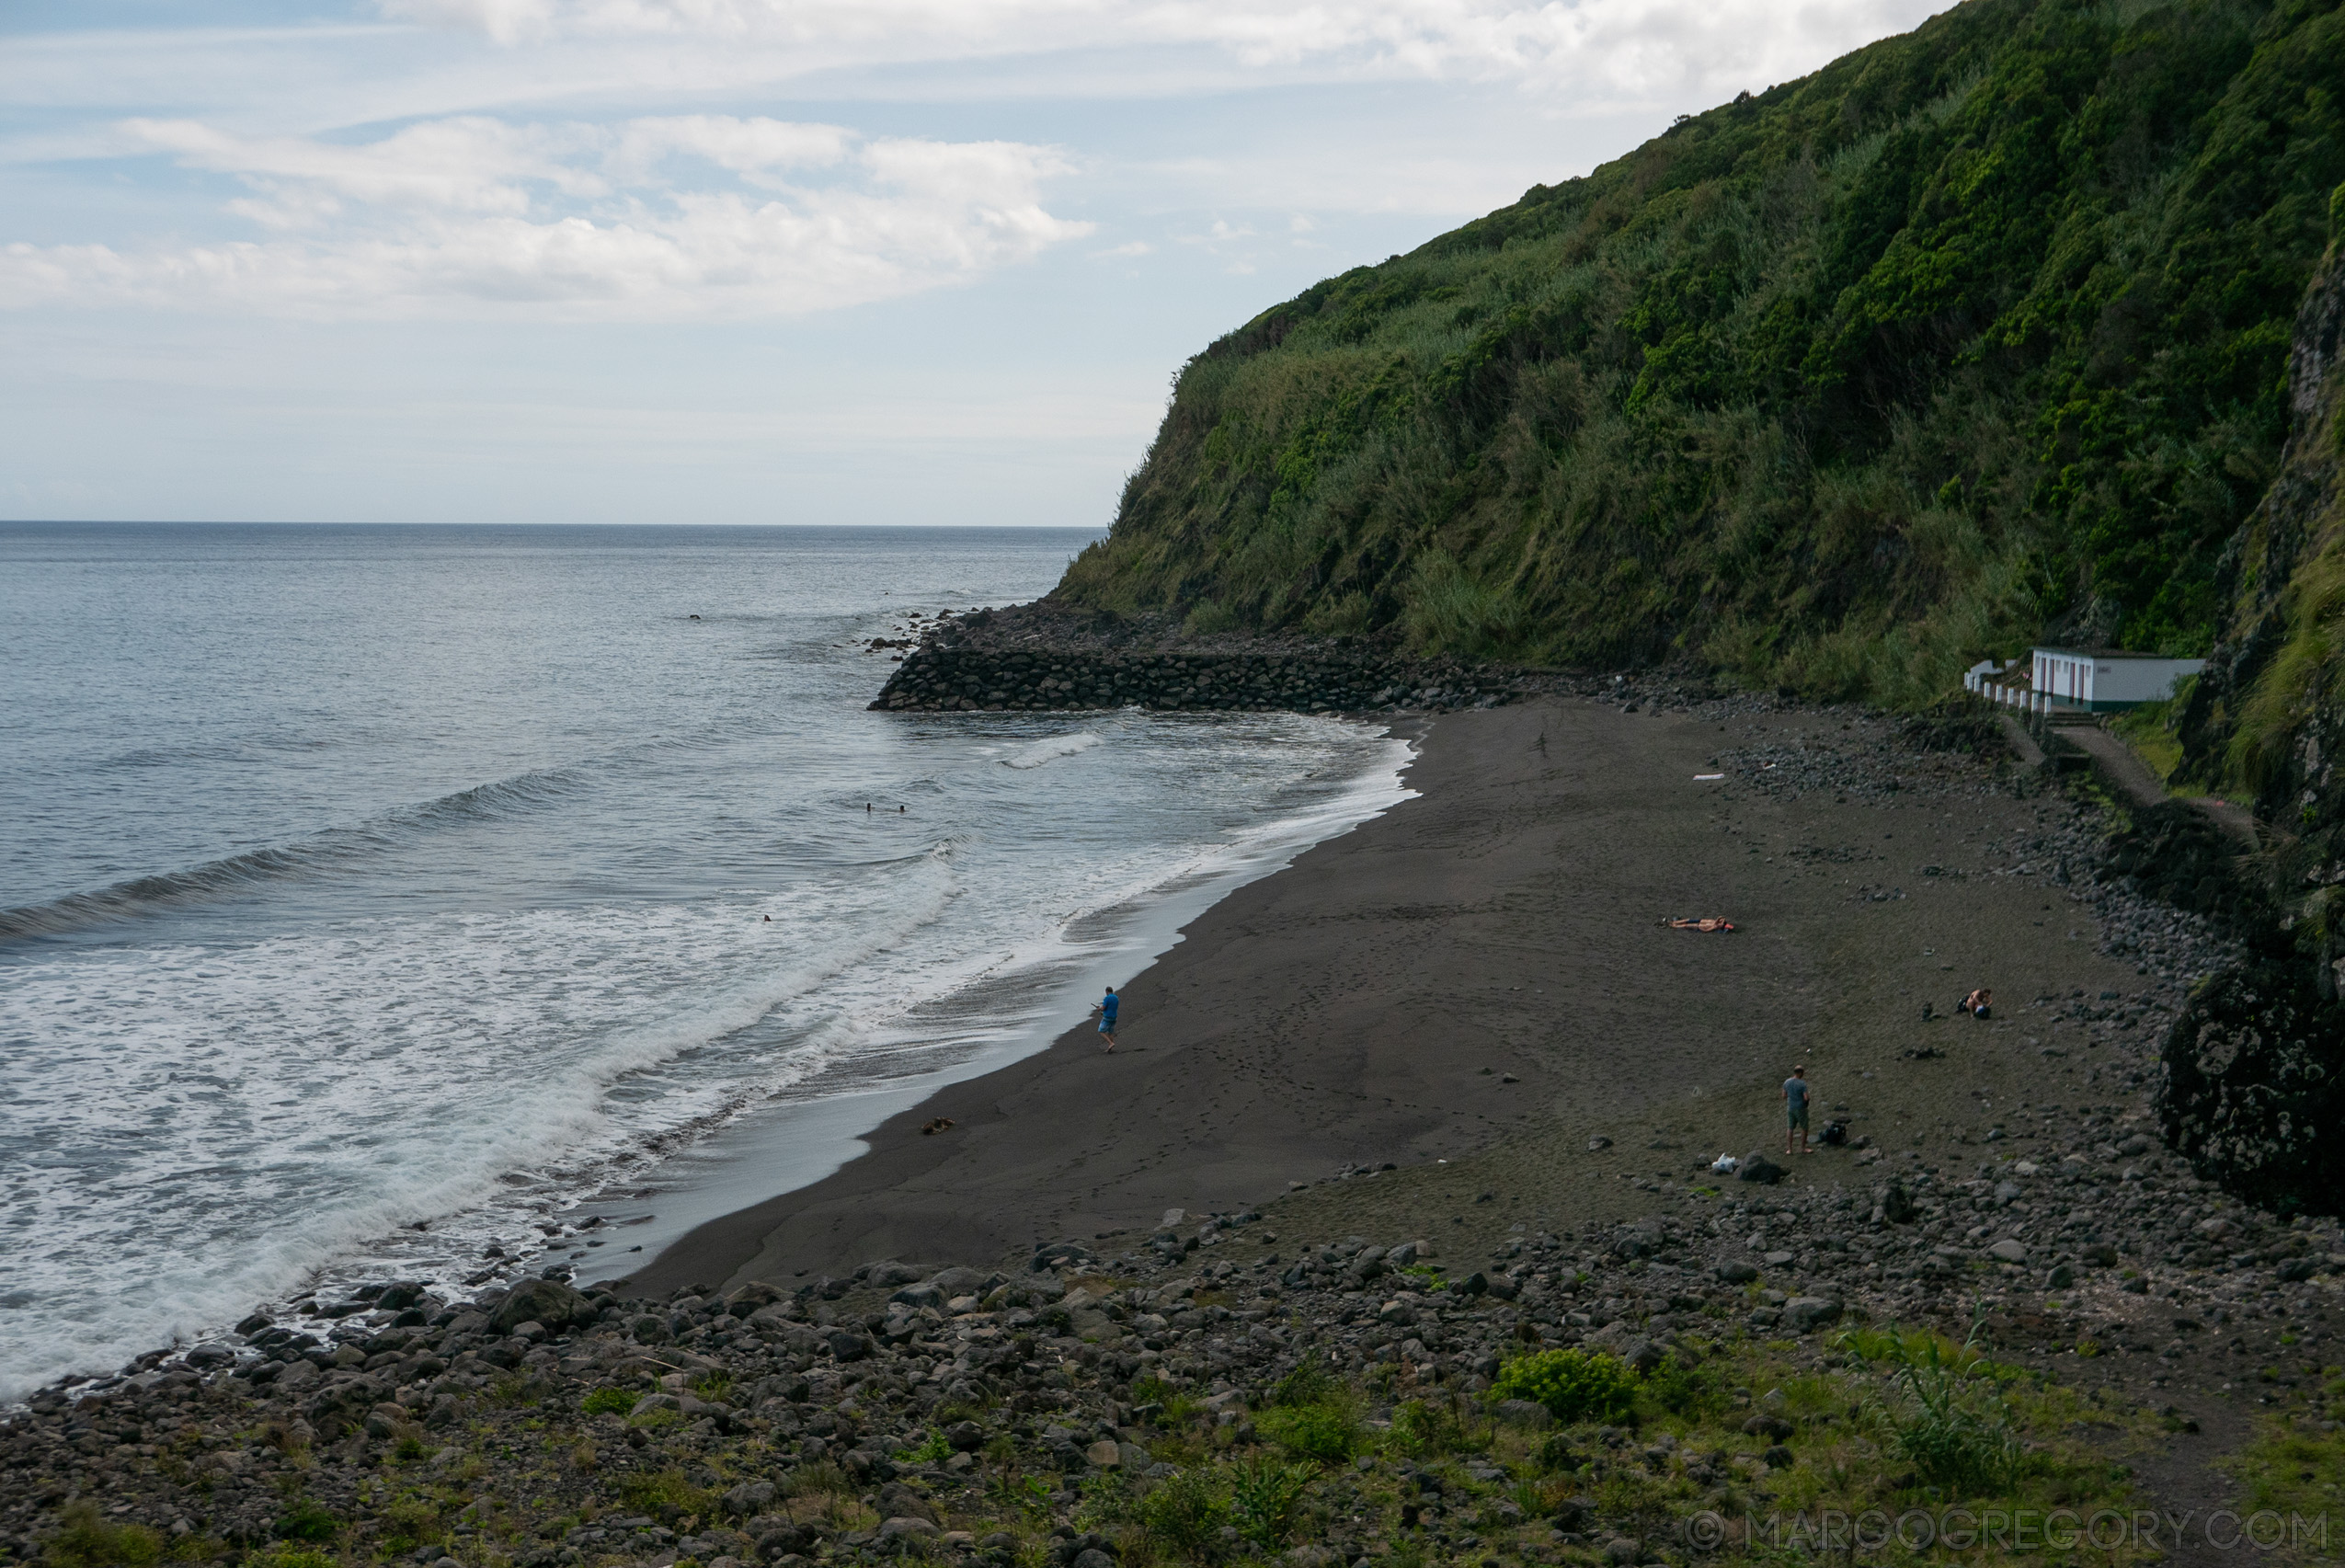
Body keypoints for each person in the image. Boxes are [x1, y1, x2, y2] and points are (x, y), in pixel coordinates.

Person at [1783, 1065, 1812, 1155]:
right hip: (1801, 1108)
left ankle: (1789, 1149)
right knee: (1804, 1128)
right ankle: (1803, 1148)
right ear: (1800, 1073)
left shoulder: (1787, 1082)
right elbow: (1806, 1097)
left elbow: (1784, 1096)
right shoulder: (1802, 1083)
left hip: (1790, 1108)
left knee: (1790, 1128)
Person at [1094, 986, 1120, 1052]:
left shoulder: (1107, 998)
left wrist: (1099, 1009)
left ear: (1107, 991)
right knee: (1110, 1033)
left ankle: (1111, 1043)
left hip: (1107, 1017)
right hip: (1114, 1017)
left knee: (1101, 1031)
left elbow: (1103, 1008)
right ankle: (1110, 1047)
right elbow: (1111, 1008)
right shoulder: (1116, 998)